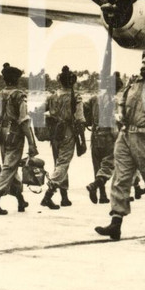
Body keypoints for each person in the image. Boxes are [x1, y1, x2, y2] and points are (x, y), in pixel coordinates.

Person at [95, 48, 145, 242]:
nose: (143, 66)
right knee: (120, 179)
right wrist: (120, 117)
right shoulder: (133, 84)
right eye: (142, 62)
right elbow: (122, 103)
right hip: (125, 137)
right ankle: (115, 224)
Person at [0, 62, 38, 215]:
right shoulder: (19, 96)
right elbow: (24, 121)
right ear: (17, 80)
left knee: (11, 167)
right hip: (15, 135)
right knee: (9, 168)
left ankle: (20, 200)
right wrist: (32, 144)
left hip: (1, 135)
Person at [43, 66, 85, 209]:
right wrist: (82, 141)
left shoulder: (52, 96)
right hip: (68, 132)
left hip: (55, 133)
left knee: (59, 163)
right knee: (63, 163)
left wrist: (51, 120)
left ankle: (64, 197)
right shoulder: (76, 97)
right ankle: (48, 195)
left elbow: (38, 111)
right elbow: (80, 119)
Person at [85, 72, 120, 205]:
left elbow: (84, 110)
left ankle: (103, 195)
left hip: (95, 136)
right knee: (109, 165)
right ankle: (95, 186)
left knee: (97, 165)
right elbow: (113, 123)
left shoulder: (95, 98)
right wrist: (118, 139)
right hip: (108, 137)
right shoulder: (114, 101)